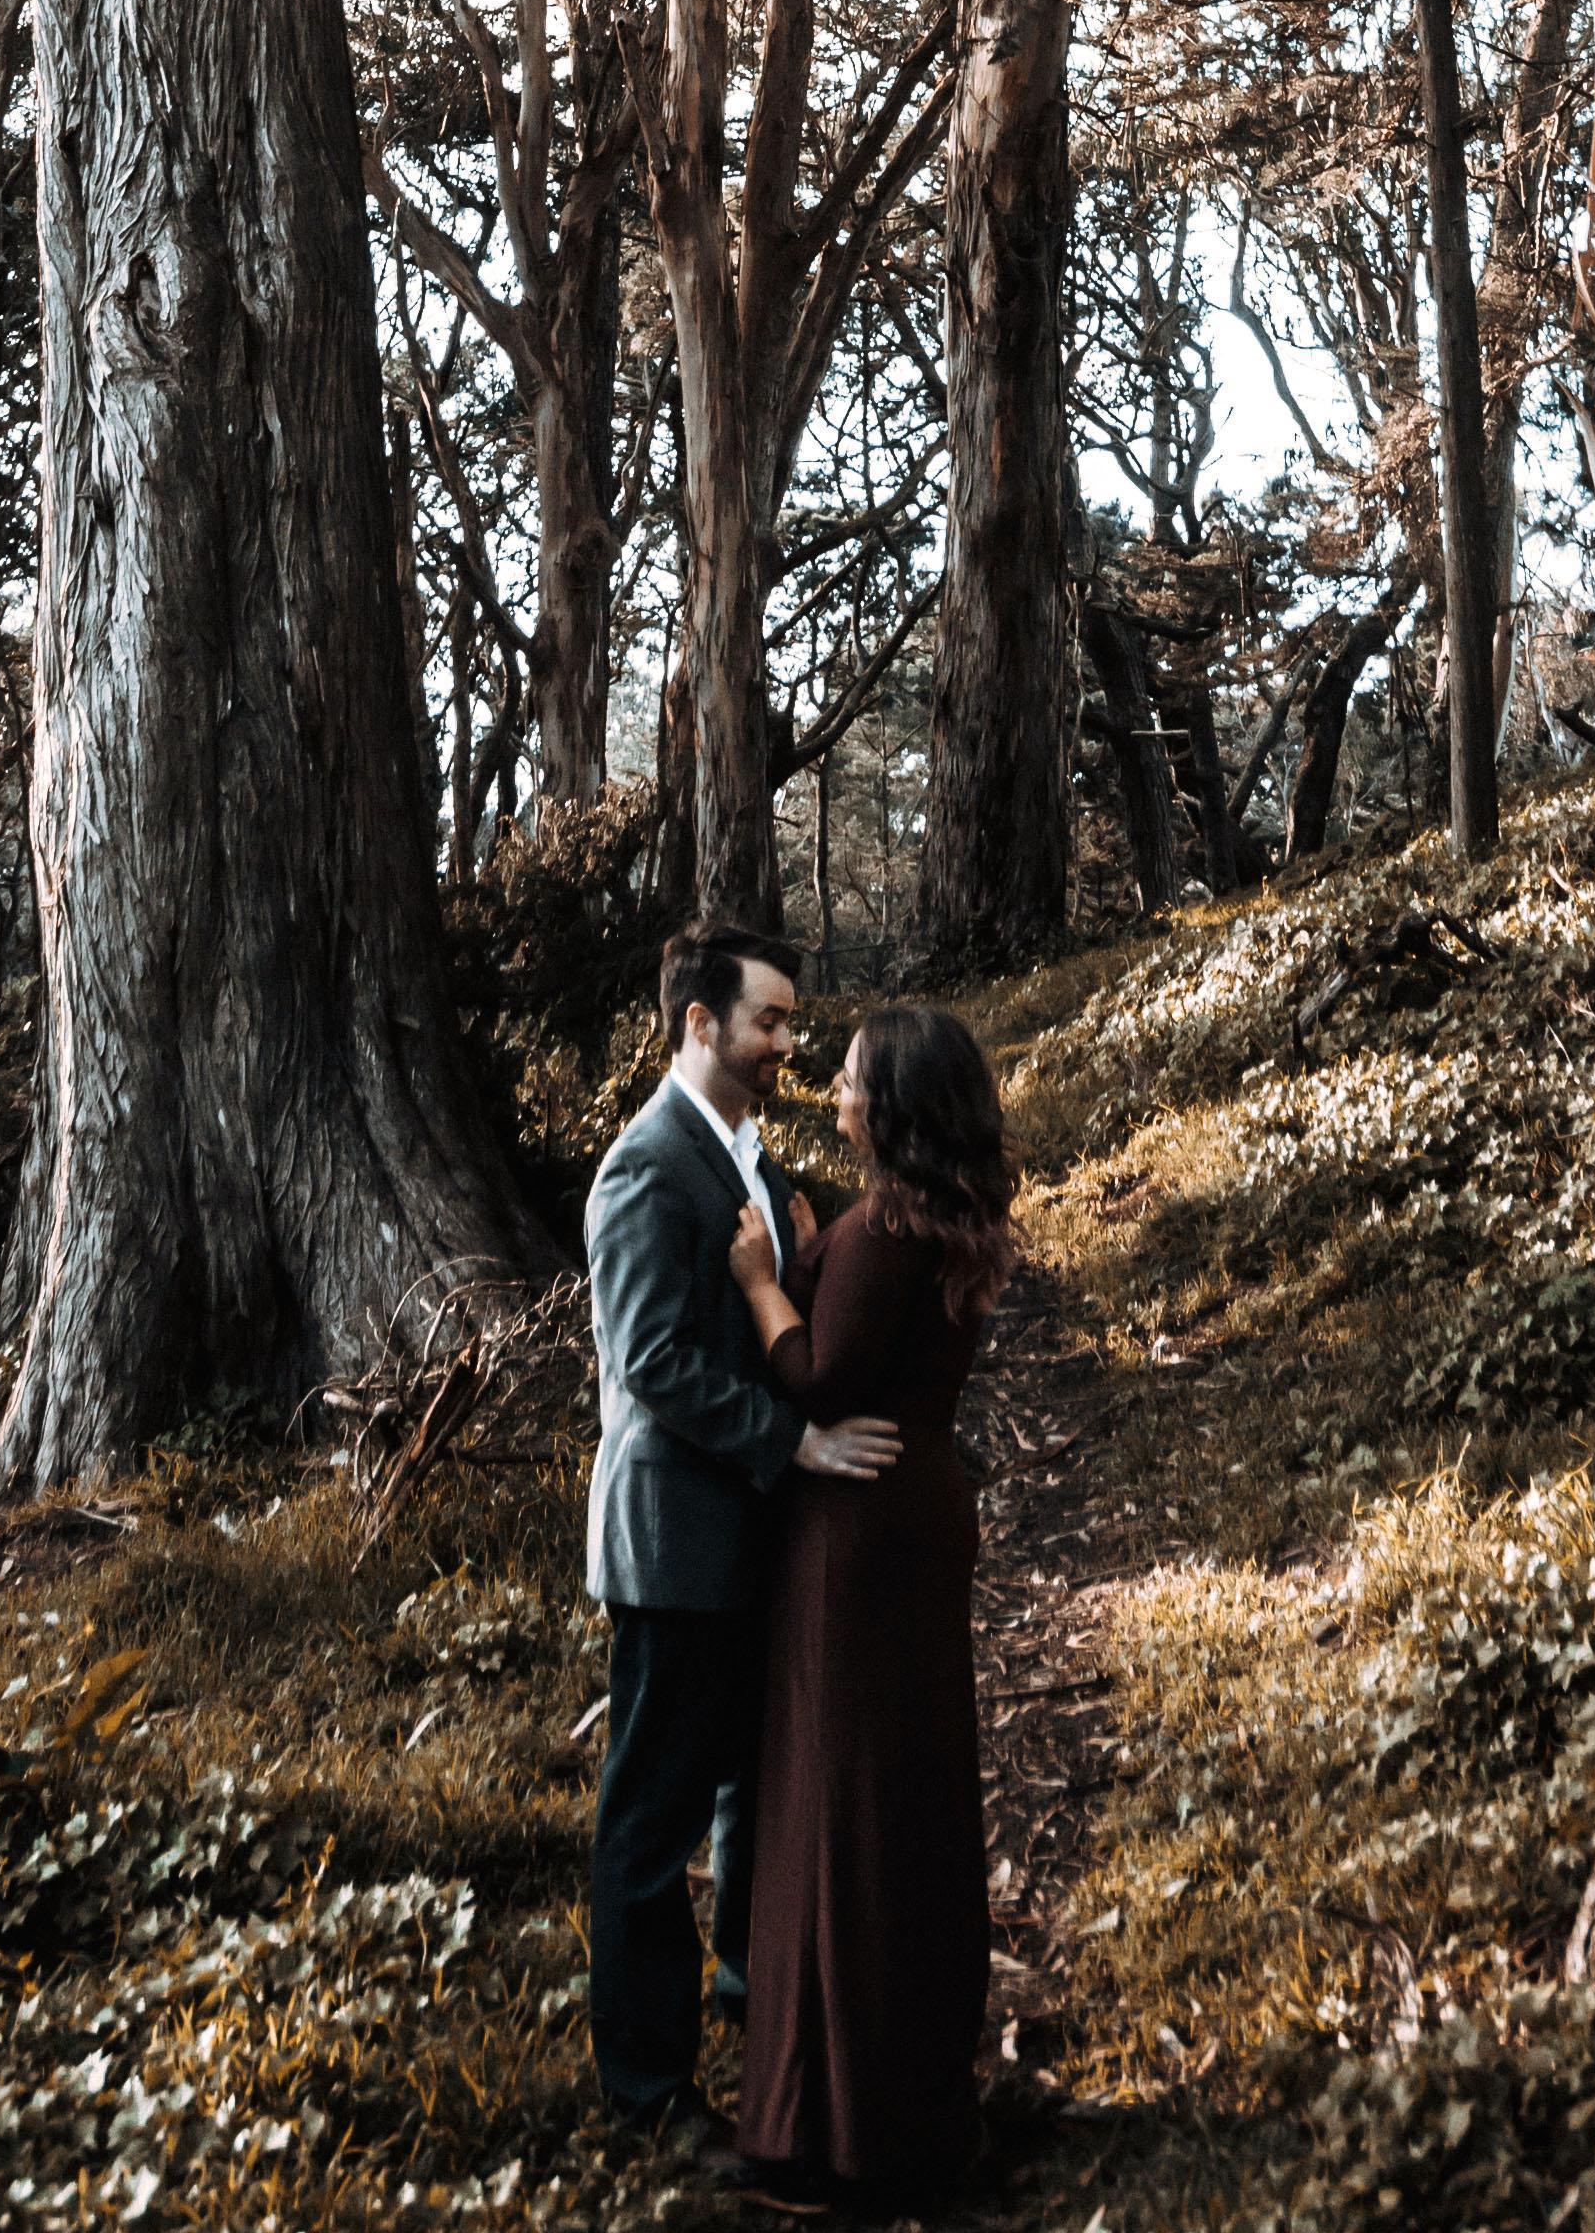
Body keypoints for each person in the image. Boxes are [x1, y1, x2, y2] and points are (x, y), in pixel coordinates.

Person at [588, 922, 906, 2135]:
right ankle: (647, 2090)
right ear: (699, 1024)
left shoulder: (743, 1153)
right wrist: (796, 1444)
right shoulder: (644, 1165)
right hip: (674, 1540)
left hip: (748, 1535)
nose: (788, 1041)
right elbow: (652, 1359)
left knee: (749, 1780)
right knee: (649, 1819)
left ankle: (743, 1984)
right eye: (769, 1020)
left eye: (788, 1021)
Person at [724, 1002, 1014, 2218]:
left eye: (847, 1079)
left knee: (843, 1807)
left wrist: (758, 1284)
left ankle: (838, 2131)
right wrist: (810, 1251)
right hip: (920, 1512)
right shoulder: (931, 1219)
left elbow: (822, 1377)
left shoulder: (887, 1227)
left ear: (889, 1104)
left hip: (858, 1533)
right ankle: (913, 2092)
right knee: (908, 1790)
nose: (830, 1090)